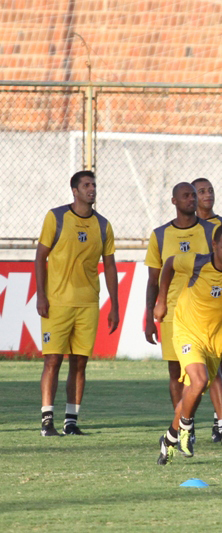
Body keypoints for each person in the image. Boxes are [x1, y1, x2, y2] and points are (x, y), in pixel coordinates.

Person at [154, 223, 222, 465]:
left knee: (193, 393)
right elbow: (168, 263)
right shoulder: (196, 262)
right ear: (214, 246)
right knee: (198, 382)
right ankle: (186, 430)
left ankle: (168, 438)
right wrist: (161, 299)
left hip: (215, 342)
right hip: (187, 331)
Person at [35, 170, 119, 436]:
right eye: (86, 185)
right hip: (57, 302)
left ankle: (71, 421)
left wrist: (114, 305)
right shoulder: (56, 217)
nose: (91, 189)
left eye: (93, 184)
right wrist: (41, 294)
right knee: (52, 361)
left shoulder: (103, 225)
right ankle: (47, 420)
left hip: (88, 303)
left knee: (80, 362)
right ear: (75, 190)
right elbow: (40, 257)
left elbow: (109, 265)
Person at [192, 177, 222, 445]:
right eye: (201, 192)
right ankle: (188, 424)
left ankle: (220, 424)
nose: (207, 195)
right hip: (194, 309)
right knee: (191, 369)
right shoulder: (187, 228)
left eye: (210, 190)